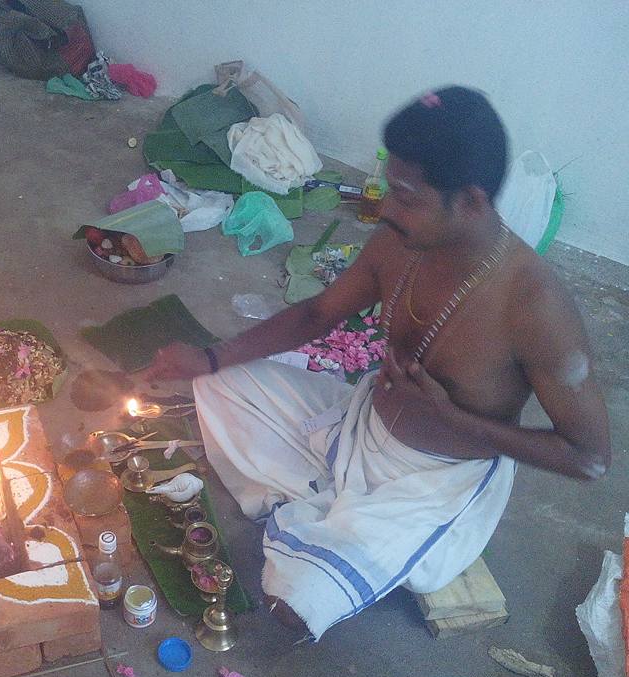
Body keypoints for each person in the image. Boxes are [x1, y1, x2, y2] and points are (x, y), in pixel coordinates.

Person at [145, 86, 611, 639]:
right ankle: (329, 510)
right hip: (357, 425)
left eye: (407, 199)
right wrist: (209, 355)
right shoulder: (399, 242)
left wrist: (454, 418)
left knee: (297, 598)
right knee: (221, 383)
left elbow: (588, 459)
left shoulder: (535, 307)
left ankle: (336, 525)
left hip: (431, 485)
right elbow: (318, 313)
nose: (386, 209)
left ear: (471, 202)